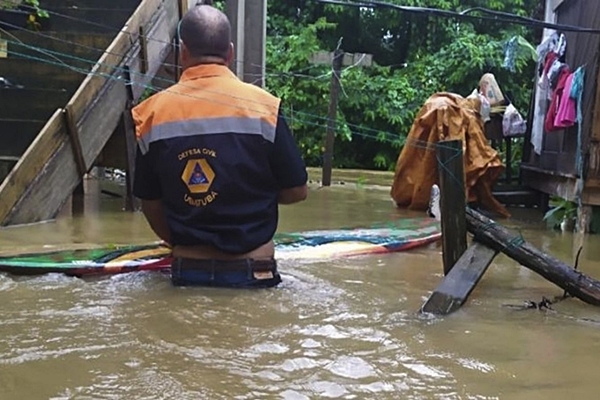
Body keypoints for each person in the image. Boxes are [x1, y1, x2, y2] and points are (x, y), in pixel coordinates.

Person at [132, 4, 308, 288]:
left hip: (187, 273)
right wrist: (250, 196)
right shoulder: (266, 108)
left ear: (182, 52)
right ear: (230, 52)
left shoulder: (150, 114)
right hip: (256, 271)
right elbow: (298, 191)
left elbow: (150, 203)